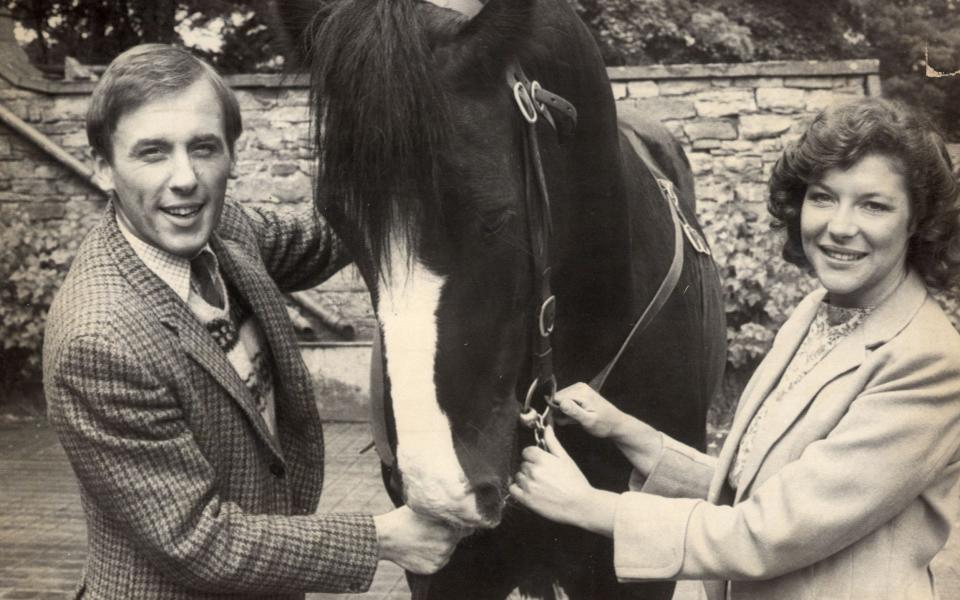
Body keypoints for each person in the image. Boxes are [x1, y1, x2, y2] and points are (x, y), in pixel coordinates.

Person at [43, 44, 465, 599]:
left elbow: (319, 235)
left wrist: (416, 129)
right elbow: (198, 540)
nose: (185, 178)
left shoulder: (224, 232)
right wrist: (380, 538)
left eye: (203, 148)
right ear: (104, 166)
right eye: (152, 152)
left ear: (231, 155)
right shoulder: (98, 341)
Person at [510, 97, 960, 599]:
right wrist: (626, 431)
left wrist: (589, 507)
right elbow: (752, 487)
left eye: (874, 204)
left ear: (917, 220)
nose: (839, 226)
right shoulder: (816, 311)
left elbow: (767, 532)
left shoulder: (927, 360)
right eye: (823, 197)